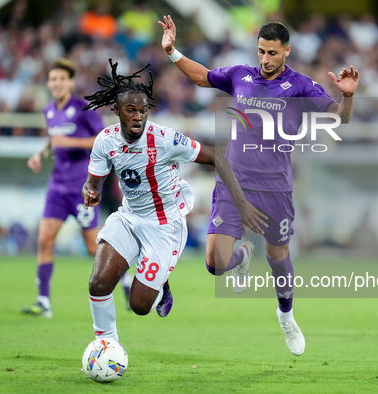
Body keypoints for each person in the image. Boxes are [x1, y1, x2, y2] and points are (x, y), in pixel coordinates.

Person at [159, 15, 359, 355]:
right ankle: (241, 256)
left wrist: (348, 97)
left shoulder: (300, 86)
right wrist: (173, 52)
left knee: (278, 256)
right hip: (234, 184)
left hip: (275, 189)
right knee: (214, 263)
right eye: (261, 52)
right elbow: (203, 77)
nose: (265, 60)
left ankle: (286, 316)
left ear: (287, 52)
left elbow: (339, 116)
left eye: (272, 53)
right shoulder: (240, 75)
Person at [81, 60, 267, 343]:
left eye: (143, 110)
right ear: (117, 110)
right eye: (131, 110)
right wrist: (90, 190)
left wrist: (241, 203)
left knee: (139, 306)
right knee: (98, 282)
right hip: (129, 217)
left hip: (165, 225)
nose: (138, 117)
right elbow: (94, 180)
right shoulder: (105, 141)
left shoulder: (165, 139)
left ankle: (229, 259)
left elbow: (216, 157)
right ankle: (106, 345)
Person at [21, 58, 131, 318]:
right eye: (53, 79)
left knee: (94, 247)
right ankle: (43, 301)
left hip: (83, 188)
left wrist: (70, 141)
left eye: (61, 79)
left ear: (70, 82)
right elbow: (55, 140)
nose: (57, 83)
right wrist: (41, 152)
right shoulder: (49, 110)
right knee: (45, 240)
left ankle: (125, 279)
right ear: (48, 83)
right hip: (57, 187)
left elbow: (102, 138)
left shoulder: (84, 108)